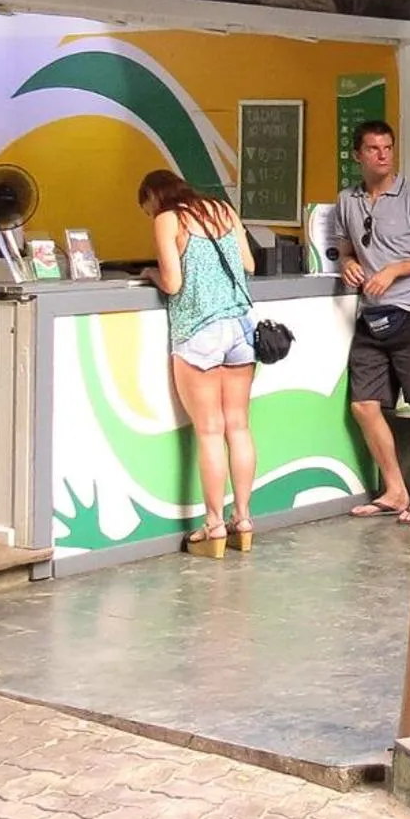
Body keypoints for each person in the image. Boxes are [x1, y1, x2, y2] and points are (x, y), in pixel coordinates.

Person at [138, 170, 259, 559]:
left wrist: (151, 274)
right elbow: (249, 265)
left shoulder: (168, 219)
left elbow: (173, 284)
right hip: (240, 327)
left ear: (154, 199)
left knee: (209, 431)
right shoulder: (220, 209)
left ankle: (213, 524)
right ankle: (243, 519)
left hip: (199, 331)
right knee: (238, 426)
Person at [336, 121, 410, 526]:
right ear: (357, 155)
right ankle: (396, 489)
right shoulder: (347, 200)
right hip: (373, 314)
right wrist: (348, 263)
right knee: (364, 405)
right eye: (373, 148)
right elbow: (346, 247)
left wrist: (396, 270)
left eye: (388, 147)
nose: (383, 154)